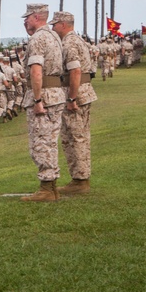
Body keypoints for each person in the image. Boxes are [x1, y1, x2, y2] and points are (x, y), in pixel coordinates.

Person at [21, 3, 66, 201]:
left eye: (28, 17)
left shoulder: (38, 39)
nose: (25, 21)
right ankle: (51, 186)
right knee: (50, 141)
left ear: (37, 17)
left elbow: (36, 71)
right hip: (55, 93)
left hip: (44, 95)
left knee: (41, 142)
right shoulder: (53, 36)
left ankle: (46, 188)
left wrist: (37, 99)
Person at [52, 12, 97, 196]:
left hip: (76, 95)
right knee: (78, 136)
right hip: (82, 92)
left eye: (54, 24)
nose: (52, 28)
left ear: (63, 24)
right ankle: (79, 178)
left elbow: (75, 71)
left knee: (74, 137)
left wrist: (71, 98)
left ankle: (80, 180)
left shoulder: (69, 43)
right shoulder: (77, 40)